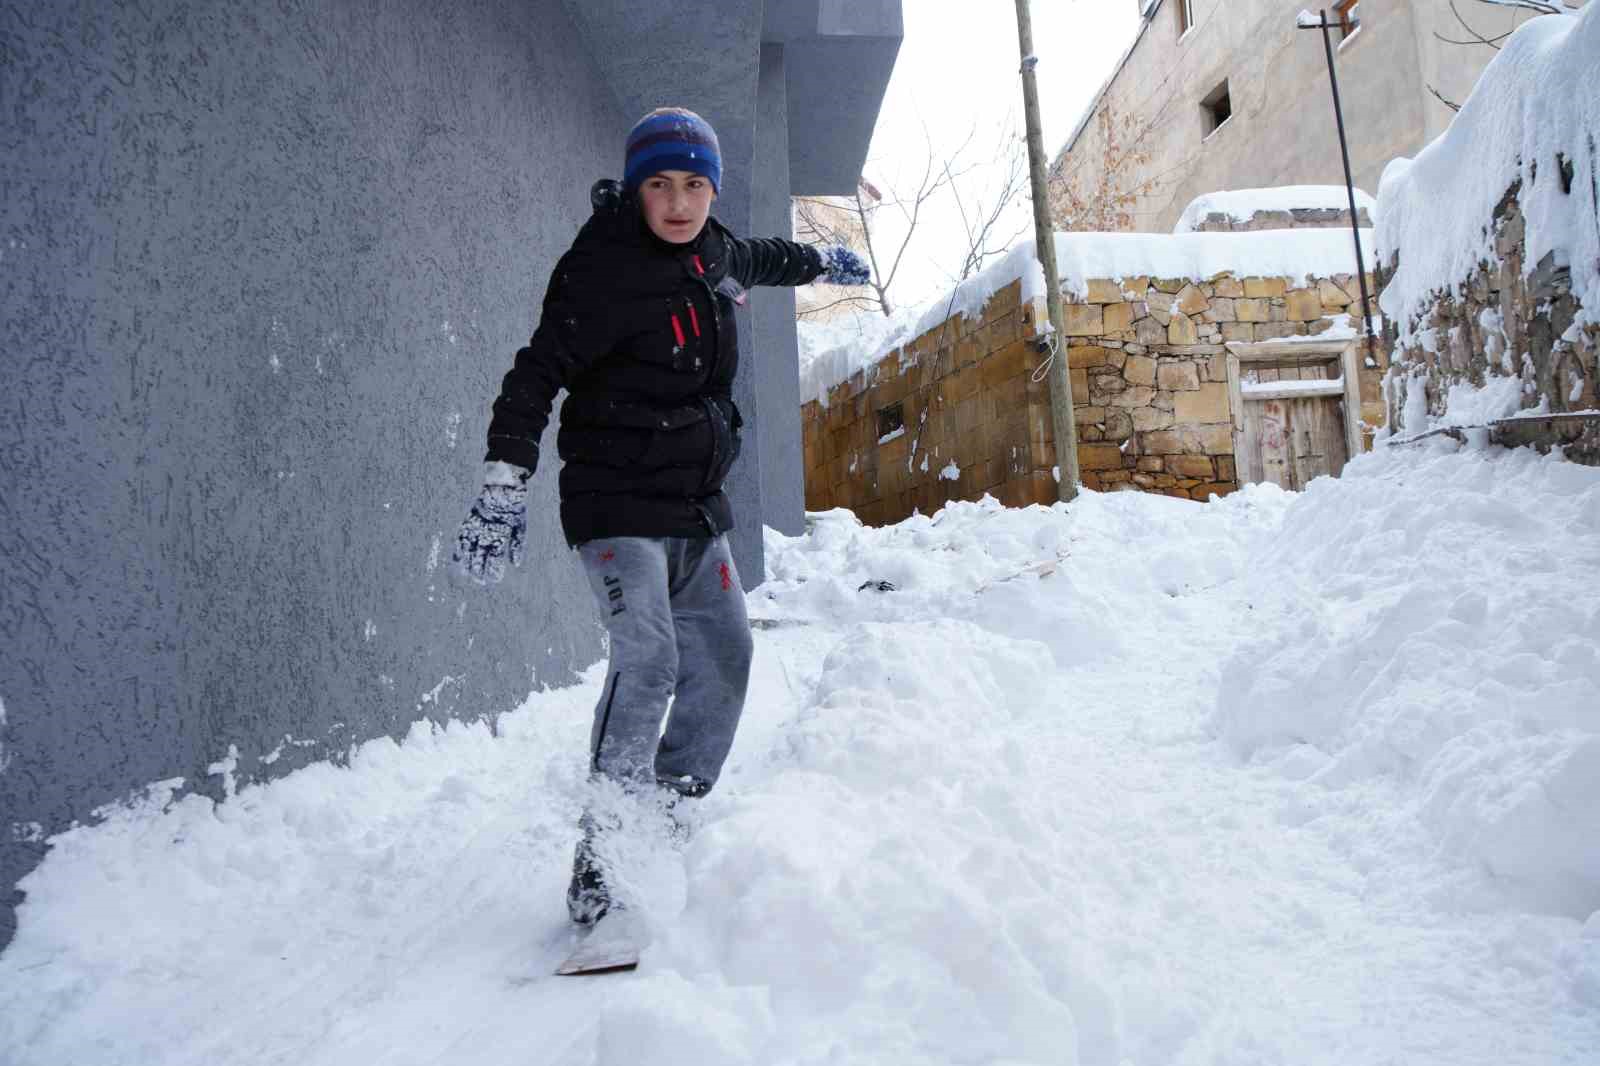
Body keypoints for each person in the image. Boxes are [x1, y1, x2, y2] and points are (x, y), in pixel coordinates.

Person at [451, 107, 871, 926]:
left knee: (726, 654)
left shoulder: (714, 250)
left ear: (711, 191)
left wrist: (824, 258)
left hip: (692, 506)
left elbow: (765, 255)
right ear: (636, 188)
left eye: (695, 185)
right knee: (649, 658)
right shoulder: (601, 268)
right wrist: (506, 480)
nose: (678, 203)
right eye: (659, 184)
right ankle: (603, 861)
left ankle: (665, 816)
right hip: (613, 504)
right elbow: (536, 373)